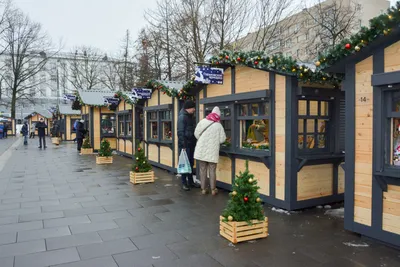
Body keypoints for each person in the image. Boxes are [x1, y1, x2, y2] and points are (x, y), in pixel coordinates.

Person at [194, 107, 226, 195]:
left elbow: (196, 133)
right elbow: (222, 139)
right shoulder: (219, 125)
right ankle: (213, 189)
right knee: (212, 170)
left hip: (201, 150)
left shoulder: (203, 121)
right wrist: (215, 141)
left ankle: (203, 189)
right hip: (212, 151)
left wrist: (202, 140)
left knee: (202, 169)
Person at [177, 100, 200, 191]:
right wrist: (183, 145)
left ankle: (190, 182)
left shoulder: (190, 116)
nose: (194, 109)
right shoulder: (182, 117)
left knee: (190, 163)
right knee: (184, 163)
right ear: (188, 108)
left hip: (191, 143)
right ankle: (184, 183)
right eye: (193, 108)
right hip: (185, 145)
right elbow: (180, 132)